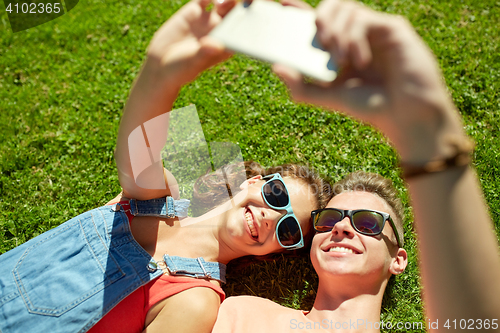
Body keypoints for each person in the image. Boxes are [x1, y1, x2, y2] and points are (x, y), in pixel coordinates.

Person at [0, 1, 333, 333]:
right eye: (276, 195)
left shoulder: (197, 302)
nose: (271, 216)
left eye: (287, 230)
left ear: (274, 253)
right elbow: (137, 146)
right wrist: (159, 70)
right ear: (255, 181)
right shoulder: (157, 199)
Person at [211, 0, 500, 331]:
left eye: (367, 222)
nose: (341, 227)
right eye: (329, 219)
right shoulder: (242, 312)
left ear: (398, 259)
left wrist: (429, 133)